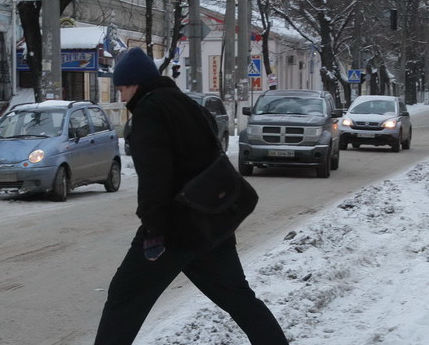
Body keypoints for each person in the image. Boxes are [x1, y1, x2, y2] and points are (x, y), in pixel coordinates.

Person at [93, 47, 288, 345]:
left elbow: (155, 178)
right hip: (213, 221)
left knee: (124, 298)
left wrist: (154, 231)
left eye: (123, 89)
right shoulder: (188, 105)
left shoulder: (149, 112)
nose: (122, 98)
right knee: (237, 296)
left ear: (137, 84)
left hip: (176, 228)